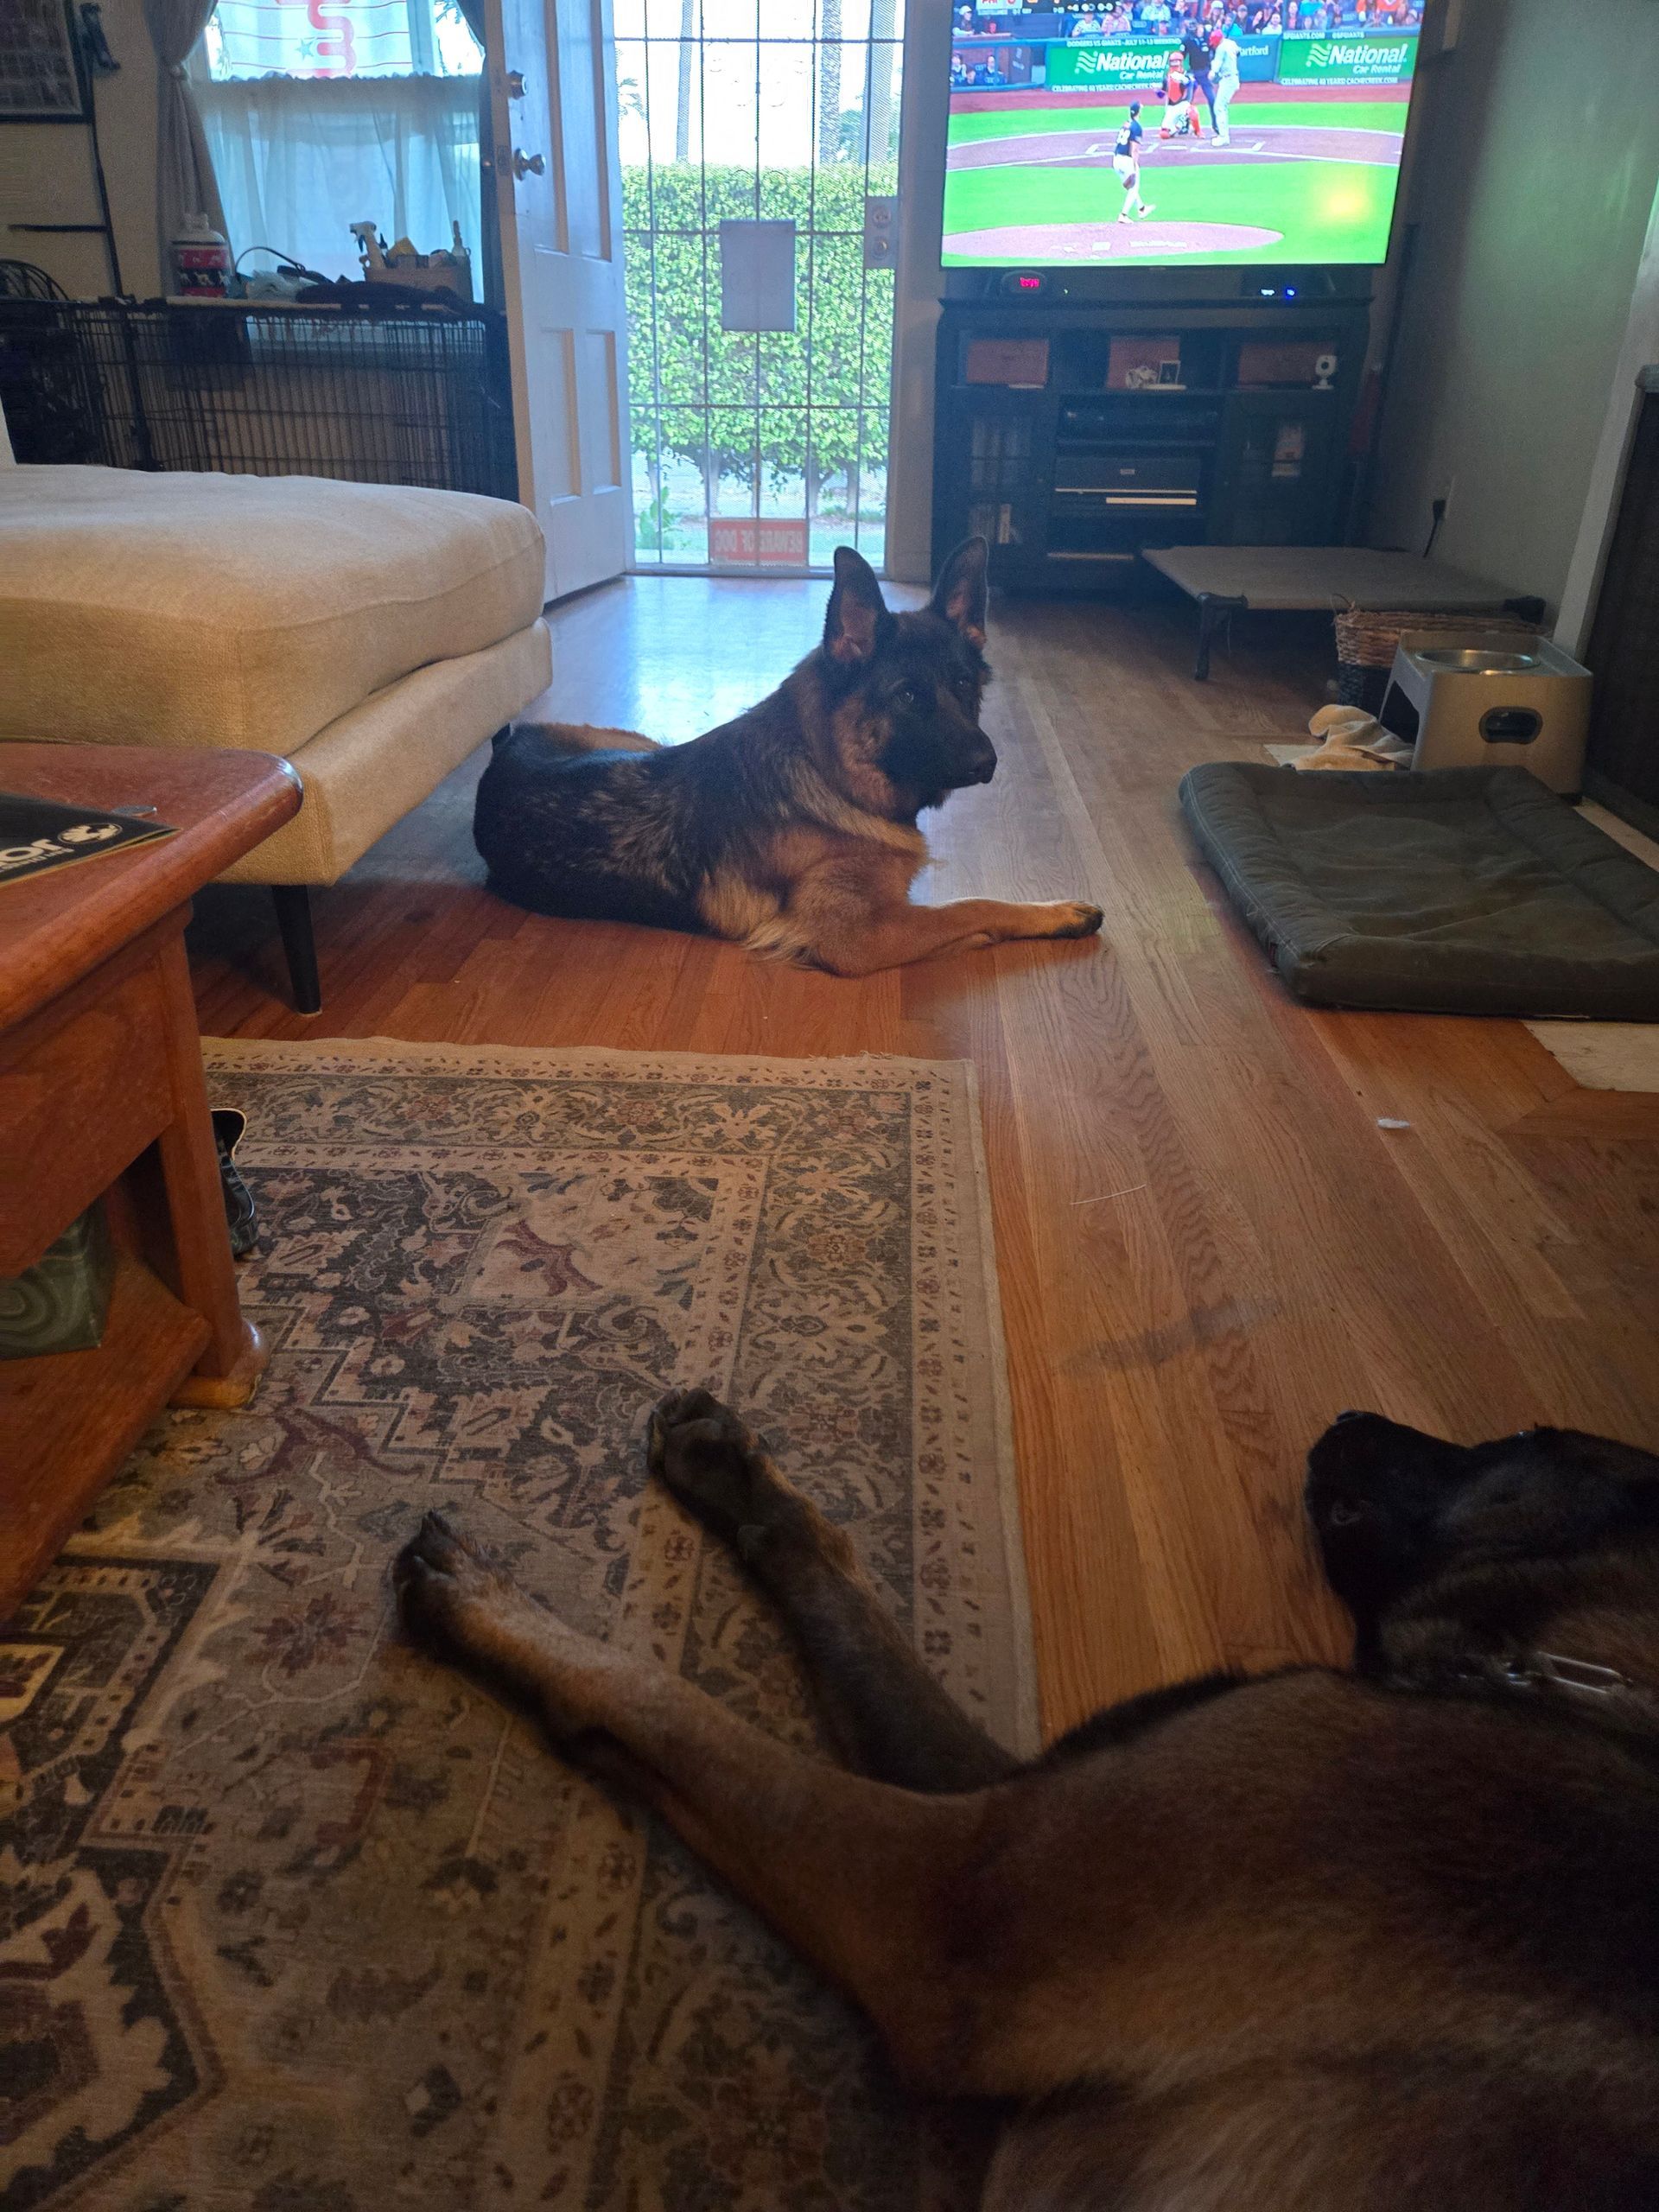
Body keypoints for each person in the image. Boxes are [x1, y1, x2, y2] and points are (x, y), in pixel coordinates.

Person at [1112, 99, 1155, 222]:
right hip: (1126, 160)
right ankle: (1123, 215)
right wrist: (1134, 166)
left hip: (1116, 159)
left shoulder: (1126, 123)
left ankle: (1142, 209)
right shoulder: (1137, 127)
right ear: (1138, 112)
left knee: (1131, 188)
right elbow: (1134, 149)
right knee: (1134, 187)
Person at [1180, 22, 1217, 130]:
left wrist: (1212, 67)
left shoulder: (1208, 37)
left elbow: (1215, 52)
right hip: (1193, 73)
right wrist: (1184, 72)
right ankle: (1184, 125)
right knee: (1188, 101)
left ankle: (1216, 125)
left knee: (1212, 100)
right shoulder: (1187, 40)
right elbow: (1181, 56)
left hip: (1205, 72)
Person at [1157, 48, 1198, 137]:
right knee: (1164, 134)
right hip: (1171, 107)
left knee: (1192, 112)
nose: (1175, 64)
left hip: (1183, 104)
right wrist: (1157, 90)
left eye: (1177, 61)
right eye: (1173, 62)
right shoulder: (1167, 77)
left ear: (1181, 62)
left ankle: (1197, 131)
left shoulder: (1186, 75)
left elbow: (1193, 86)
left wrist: (1187, 82)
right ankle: (1176, 128)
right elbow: (1161, 95)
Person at [1211, 19, 1241, 143]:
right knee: (1221, 106)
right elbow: (1239, 51)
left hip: (1228, 79)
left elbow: (1216, 65)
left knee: (1219, 107)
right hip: (1232, 78)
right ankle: (1224, 135)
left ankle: (1223, 137)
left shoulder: (1221, 49)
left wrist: (1212, 73)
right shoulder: (1231, 43)